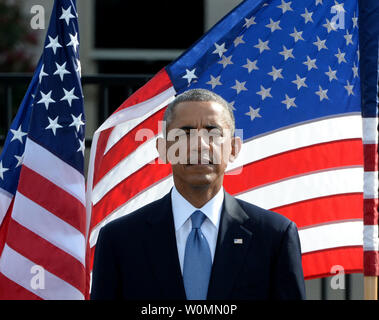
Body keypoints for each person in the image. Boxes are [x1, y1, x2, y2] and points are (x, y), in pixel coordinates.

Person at [90, 88, 306, 300]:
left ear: (233, 148)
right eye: (185, 133)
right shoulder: (119, 240)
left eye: (213, 133)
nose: (200, 145)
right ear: (163, 148)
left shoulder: (274, 236)